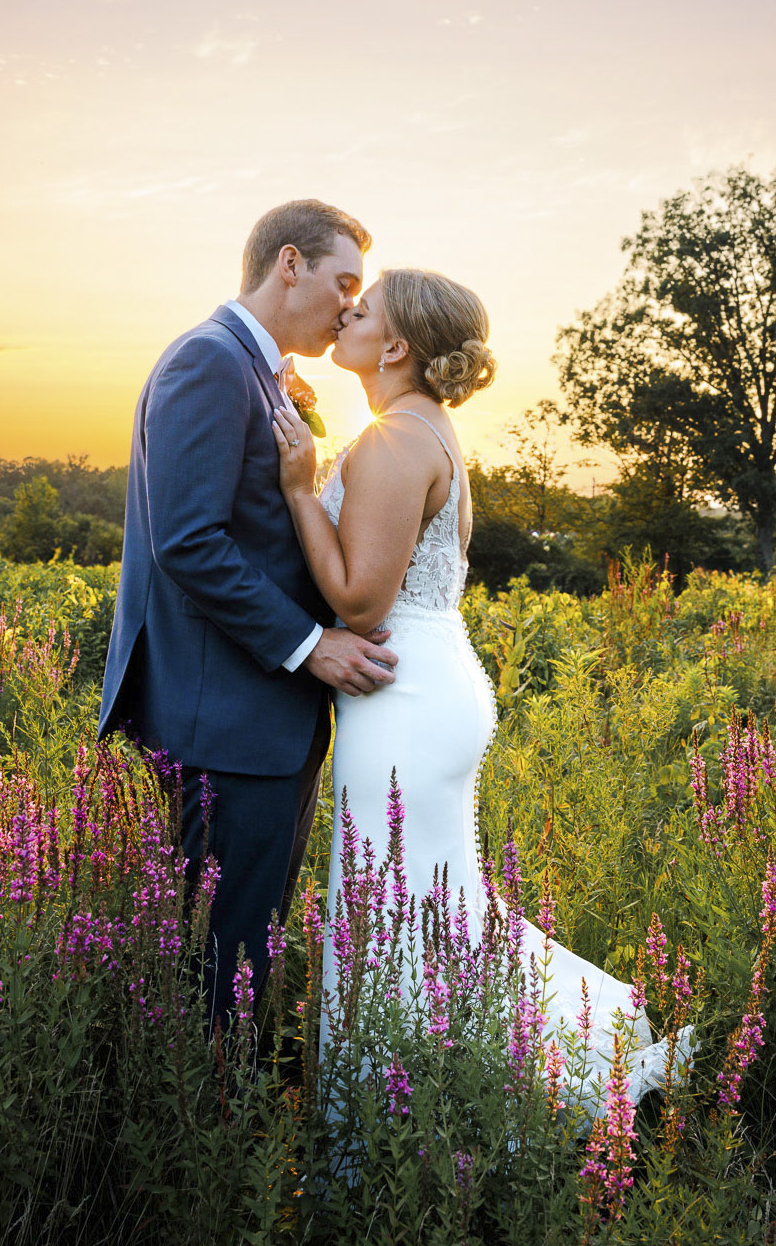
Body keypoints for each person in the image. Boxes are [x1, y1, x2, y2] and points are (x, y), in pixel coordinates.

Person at [272, 267, 690, 1102]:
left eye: (365, 308)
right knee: (432, 898)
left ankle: (396, 1120)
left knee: (390, 905)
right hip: (429, 683)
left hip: (400, 694)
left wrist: (296, 488)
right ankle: (461, 1093)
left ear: (395, 345)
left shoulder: (394, 441)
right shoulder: (424, 429)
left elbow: (359, 598)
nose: (346, 313)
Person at [98, 200, 399, 1029]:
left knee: (242, 950)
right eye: (343, 281)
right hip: (225, 722)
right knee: (220, 963)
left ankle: (226, 1119)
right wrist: (310, 645)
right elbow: (187, 542)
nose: (349, 305)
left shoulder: (257, 372)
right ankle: (211, 1138)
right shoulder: (209, 362)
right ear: (289, 262)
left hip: (259, 721)